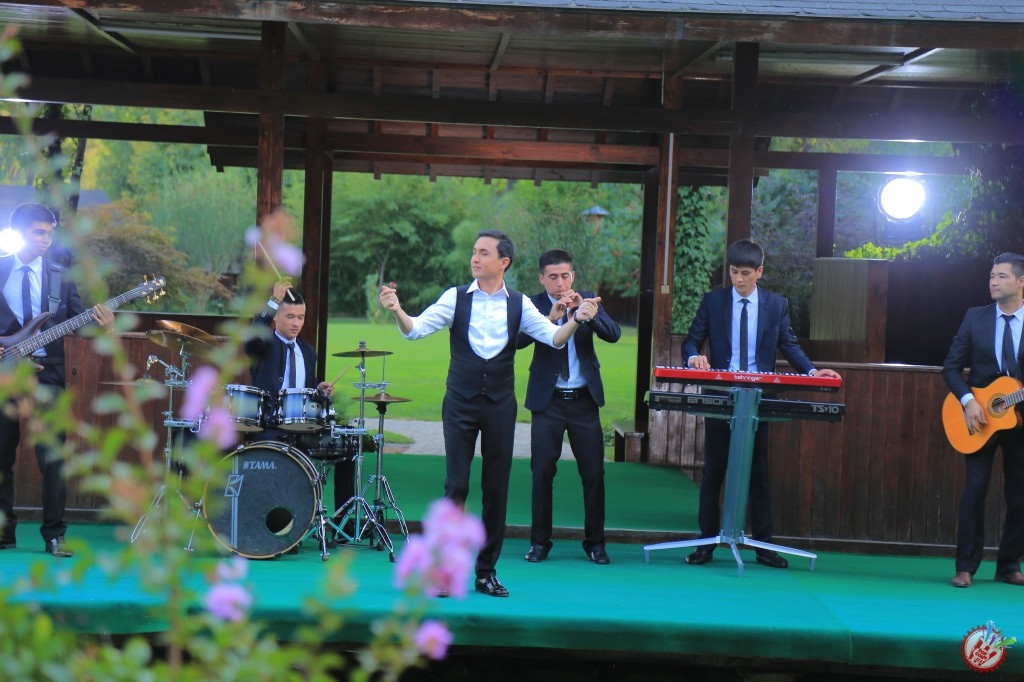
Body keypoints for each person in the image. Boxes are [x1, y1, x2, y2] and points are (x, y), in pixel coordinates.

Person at [379, 229, 599, 597]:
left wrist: (576, 319)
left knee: (496, 489)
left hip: (499, 406)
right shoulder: (455, 297)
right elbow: (415, 330)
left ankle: (486, 573)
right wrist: (397, 311)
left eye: (484, 253)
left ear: (503, 262)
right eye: (474, 251)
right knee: (456, 486)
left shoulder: (519, 304)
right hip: (459, 403)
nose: (475, 258)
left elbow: (553, 337)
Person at [681, 239, 840, 569]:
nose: (738, 279)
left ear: (759, 272)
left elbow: (789, 345)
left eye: (745, 273)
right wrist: (694, 356)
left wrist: (812, 371)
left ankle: (764, 547)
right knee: (713, 472)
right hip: (721, 396)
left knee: (759, 475)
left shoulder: (776, 305)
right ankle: (705, 543)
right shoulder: (713, 301)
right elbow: (692, 340)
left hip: (758, 399)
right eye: (733, 272)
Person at [0, 202, 114, 557]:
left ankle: (54, 535)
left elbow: (79, 324)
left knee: (53, 458)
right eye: (38, 232)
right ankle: (3, 532)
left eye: (49, 233)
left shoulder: (60, 276)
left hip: (47, 374)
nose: (46, 239)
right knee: (0, 455)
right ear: (18, 233)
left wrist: (102, 325)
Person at [517, 249, 621, 565]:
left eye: (565, 276)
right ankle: (539, 543)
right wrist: (549, 318)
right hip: (547, 402)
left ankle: (595, 544)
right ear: (542, 279)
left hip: (584, 401)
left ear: (572, 276)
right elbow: (516, 342)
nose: (560, 283)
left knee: (593, 473)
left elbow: (614, 335)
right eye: (553, 277)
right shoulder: (533, 305)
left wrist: (591, 314)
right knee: (541, 472)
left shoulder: (587, 300)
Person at [244, 281, 352, 541]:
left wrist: (319, 389)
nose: (296, 323)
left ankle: (343, 525)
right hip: (270, 428)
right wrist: (273, 300)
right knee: (275, 457)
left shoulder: (308, 352)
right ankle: (278, 527)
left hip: (303, 429)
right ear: (276, 317)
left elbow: (305, 390)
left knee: (347, 447)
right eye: (290, 316)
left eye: (300, 317)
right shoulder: (262, 345)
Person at [942, 252, 1024, 589]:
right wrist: (969, 401)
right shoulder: (974, 317)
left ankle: (1008, 566)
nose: (994, 281)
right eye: (992, 276)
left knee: (1020, 495)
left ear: (1021, 281)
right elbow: (950, 368)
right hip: (979, 420)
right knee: (974, 490)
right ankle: (965, 567)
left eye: (1002, 276)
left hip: (1021, 422)